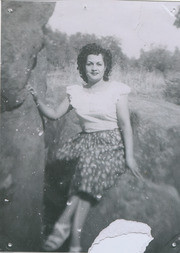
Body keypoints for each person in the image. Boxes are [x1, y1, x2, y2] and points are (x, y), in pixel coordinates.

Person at [29, 43, 142, 252]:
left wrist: (130, 157)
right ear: (83, 66)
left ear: (105, 66)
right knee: (71, 162)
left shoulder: (117, 90)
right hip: (85, 141)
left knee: (87, 166)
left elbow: (125, 125)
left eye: (99, 63)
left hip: (111, 144)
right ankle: (69, 233)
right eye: (90, 63)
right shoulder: (76, 92)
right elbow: (54, 114)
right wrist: (37, 100)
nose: (94, 68)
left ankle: (68, 230)